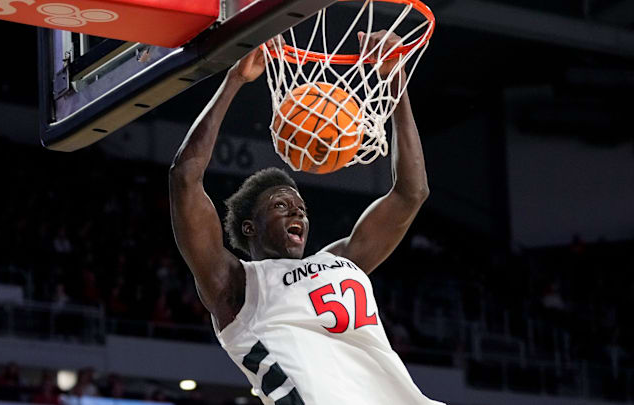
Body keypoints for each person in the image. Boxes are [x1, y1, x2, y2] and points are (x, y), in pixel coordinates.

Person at [169, 31, 443, 405]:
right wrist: (234, 80)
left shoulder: (340, 261)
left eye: (300, 207)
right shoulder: (234, 283)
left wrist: (396, 81)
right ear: (249, 227)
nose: (297, 210)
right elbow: (185, 178)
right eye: (281, 205)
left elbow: (412, 193)